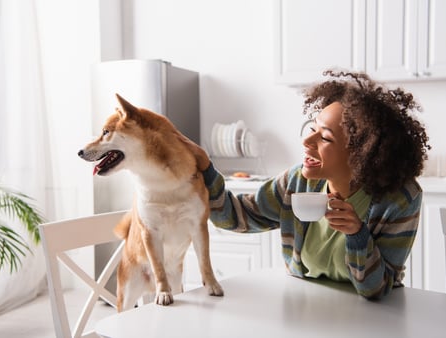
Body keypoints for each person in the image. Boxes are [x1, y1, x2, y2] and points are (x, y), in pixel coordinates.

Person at [182, 69, 431, 300]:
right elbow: (234, 217)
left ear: (360, 154)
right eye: (311, 128)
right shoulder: (297, 182)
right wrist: (206, 168)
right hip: (307, 307)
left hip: (376, 319)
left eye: (324, 137)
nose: (307, 141)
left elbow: (376, 290)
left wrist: (357, 235)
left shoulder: (399, 199)